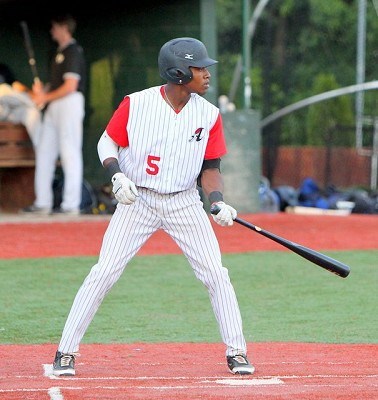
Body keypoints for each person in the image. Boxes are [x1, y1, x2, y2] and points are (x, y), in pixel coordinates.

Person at [52, 37, 254, 377]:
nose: (206, 74)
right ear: (177, 72)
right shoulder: (137, 103)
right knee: (104, 272)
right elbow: (108, 140)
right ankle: (65, 351)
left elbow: (211, 168)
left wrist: (217, 202)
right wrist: (117, 176)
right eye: (199, 67)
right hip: (138, 199)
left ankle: (237, 352)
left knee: (216, 274)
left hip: (184, 202)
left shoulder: (209, 114)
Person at [23, 14, 86, 215]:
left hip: (69, 104)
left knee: (69, 153)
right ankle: (43, 202)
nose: (52, 32)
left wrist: (45, 97)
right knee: (45, 152)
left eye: (54, 27)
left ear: (63, 28)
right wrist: (42, 92)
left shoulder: (73, 51)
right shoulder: (58, 53)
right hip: (54, 106)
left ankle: (70, 205)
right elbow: (57, 85)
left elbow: (70, 86)